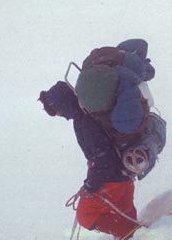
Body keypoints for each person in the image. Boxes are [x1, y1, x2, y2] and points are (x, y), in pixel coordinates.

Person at [39, 81, 140, 239]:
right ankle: (136, 232)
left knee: (86, 216)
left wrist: (90, 186)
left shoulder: (87, 122)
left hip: (113, 181)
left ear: (64, 104)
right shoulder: (86, 117)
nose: (61, 116)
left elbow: (104, 159)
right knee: (123, 212)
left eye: (58, 111)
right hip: (124, 178)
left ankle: (133, 233)